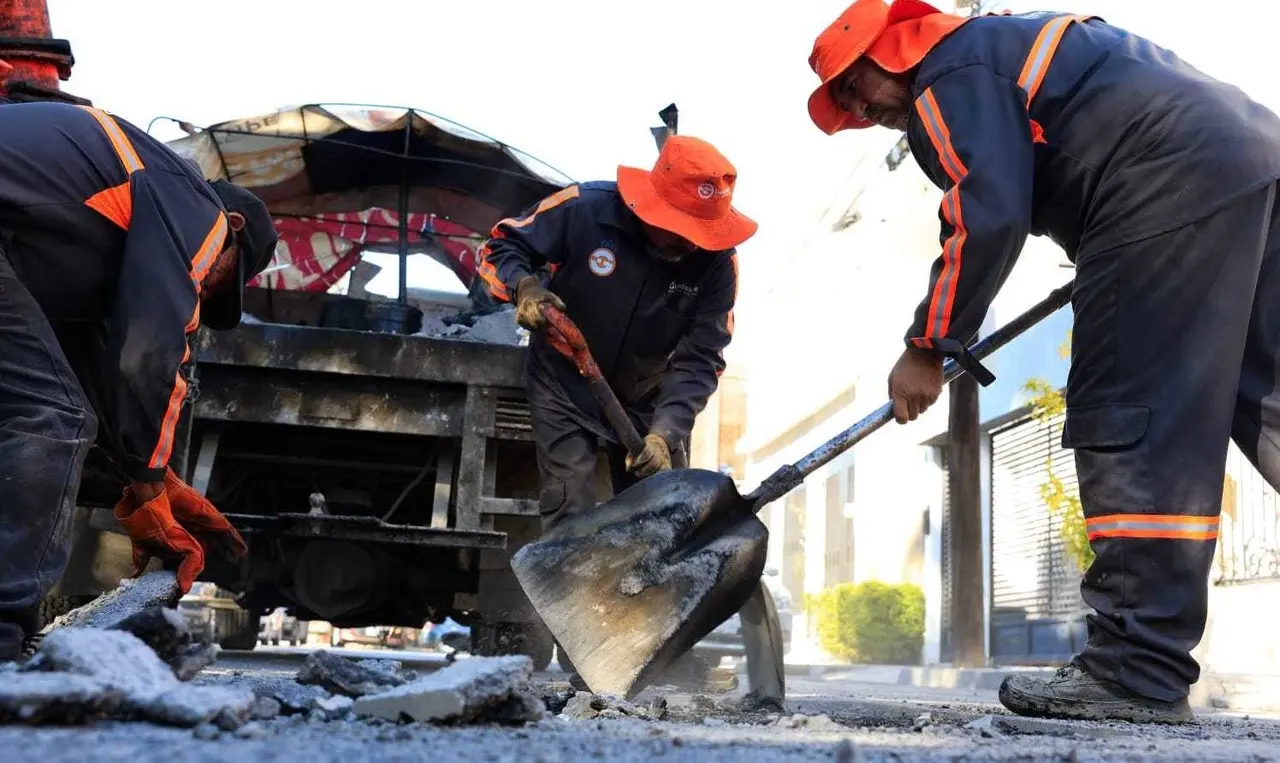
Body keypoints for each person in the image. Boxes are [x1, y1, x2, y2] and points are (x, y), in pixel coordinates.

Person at [806, 0, 1280, 724]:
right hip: (1252, 158)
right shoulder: (1000, 45)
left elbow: (985, 210)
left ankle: (1134, 667)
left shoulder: (948, 74)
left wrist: (927, 344)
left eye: (853, 86)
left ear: (892, 50)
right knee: (1267, 398)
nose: (859, 110)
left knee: (1132, 406)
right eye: (843, 101)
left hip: (1162, 177)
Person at [0, 101, 280, 661]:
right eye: (218, 278)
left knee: (53, 407)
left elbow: (93, 369)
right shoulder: (194, 204)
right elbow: (146, 353)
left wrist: (144, 474)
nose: (201, 291)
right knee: (50, 417)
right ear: (233, 229)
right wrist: (149, 482)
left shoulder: (85, 238)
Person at [477, 134, 757, 691]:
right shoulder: (584, 209)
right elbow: (499, 248)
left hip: (650, 401)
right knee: (574, 506)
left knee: (658, 520)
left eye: (696, 234)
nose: (684, 244)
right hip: (563, 383)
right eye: (676, 229)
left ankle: (647, 647)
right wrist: (526, 286)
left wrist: (666, 430)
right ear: (649, 204)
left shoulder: (718, 265)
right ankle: (586, 658)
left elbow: (702, 357)